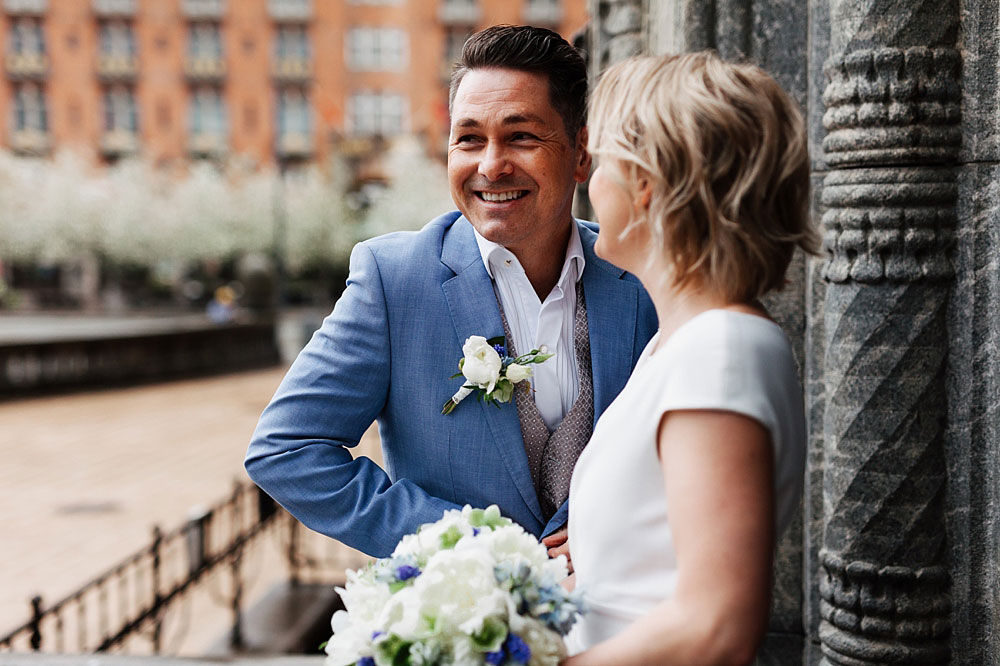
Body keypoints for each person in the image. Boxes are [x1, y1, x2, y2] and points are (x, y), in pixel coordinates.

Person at [245, 25, 657, 558]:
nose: (490, 165)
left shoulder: (641, 277)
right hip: (460, 626)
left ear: (580, 153)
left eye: (521, 137)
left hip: (622, 619)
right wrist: (474, 547)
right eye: (468, 139)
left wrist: (622, 532)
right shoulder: (393, 279)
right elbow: (284, 450)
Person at [563, 52, 818, 664]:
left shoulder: (719, 351)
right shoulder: (681, 342)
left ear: (645, 183)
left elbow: (716, 625)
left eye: (598, 162)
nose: (588, 183)